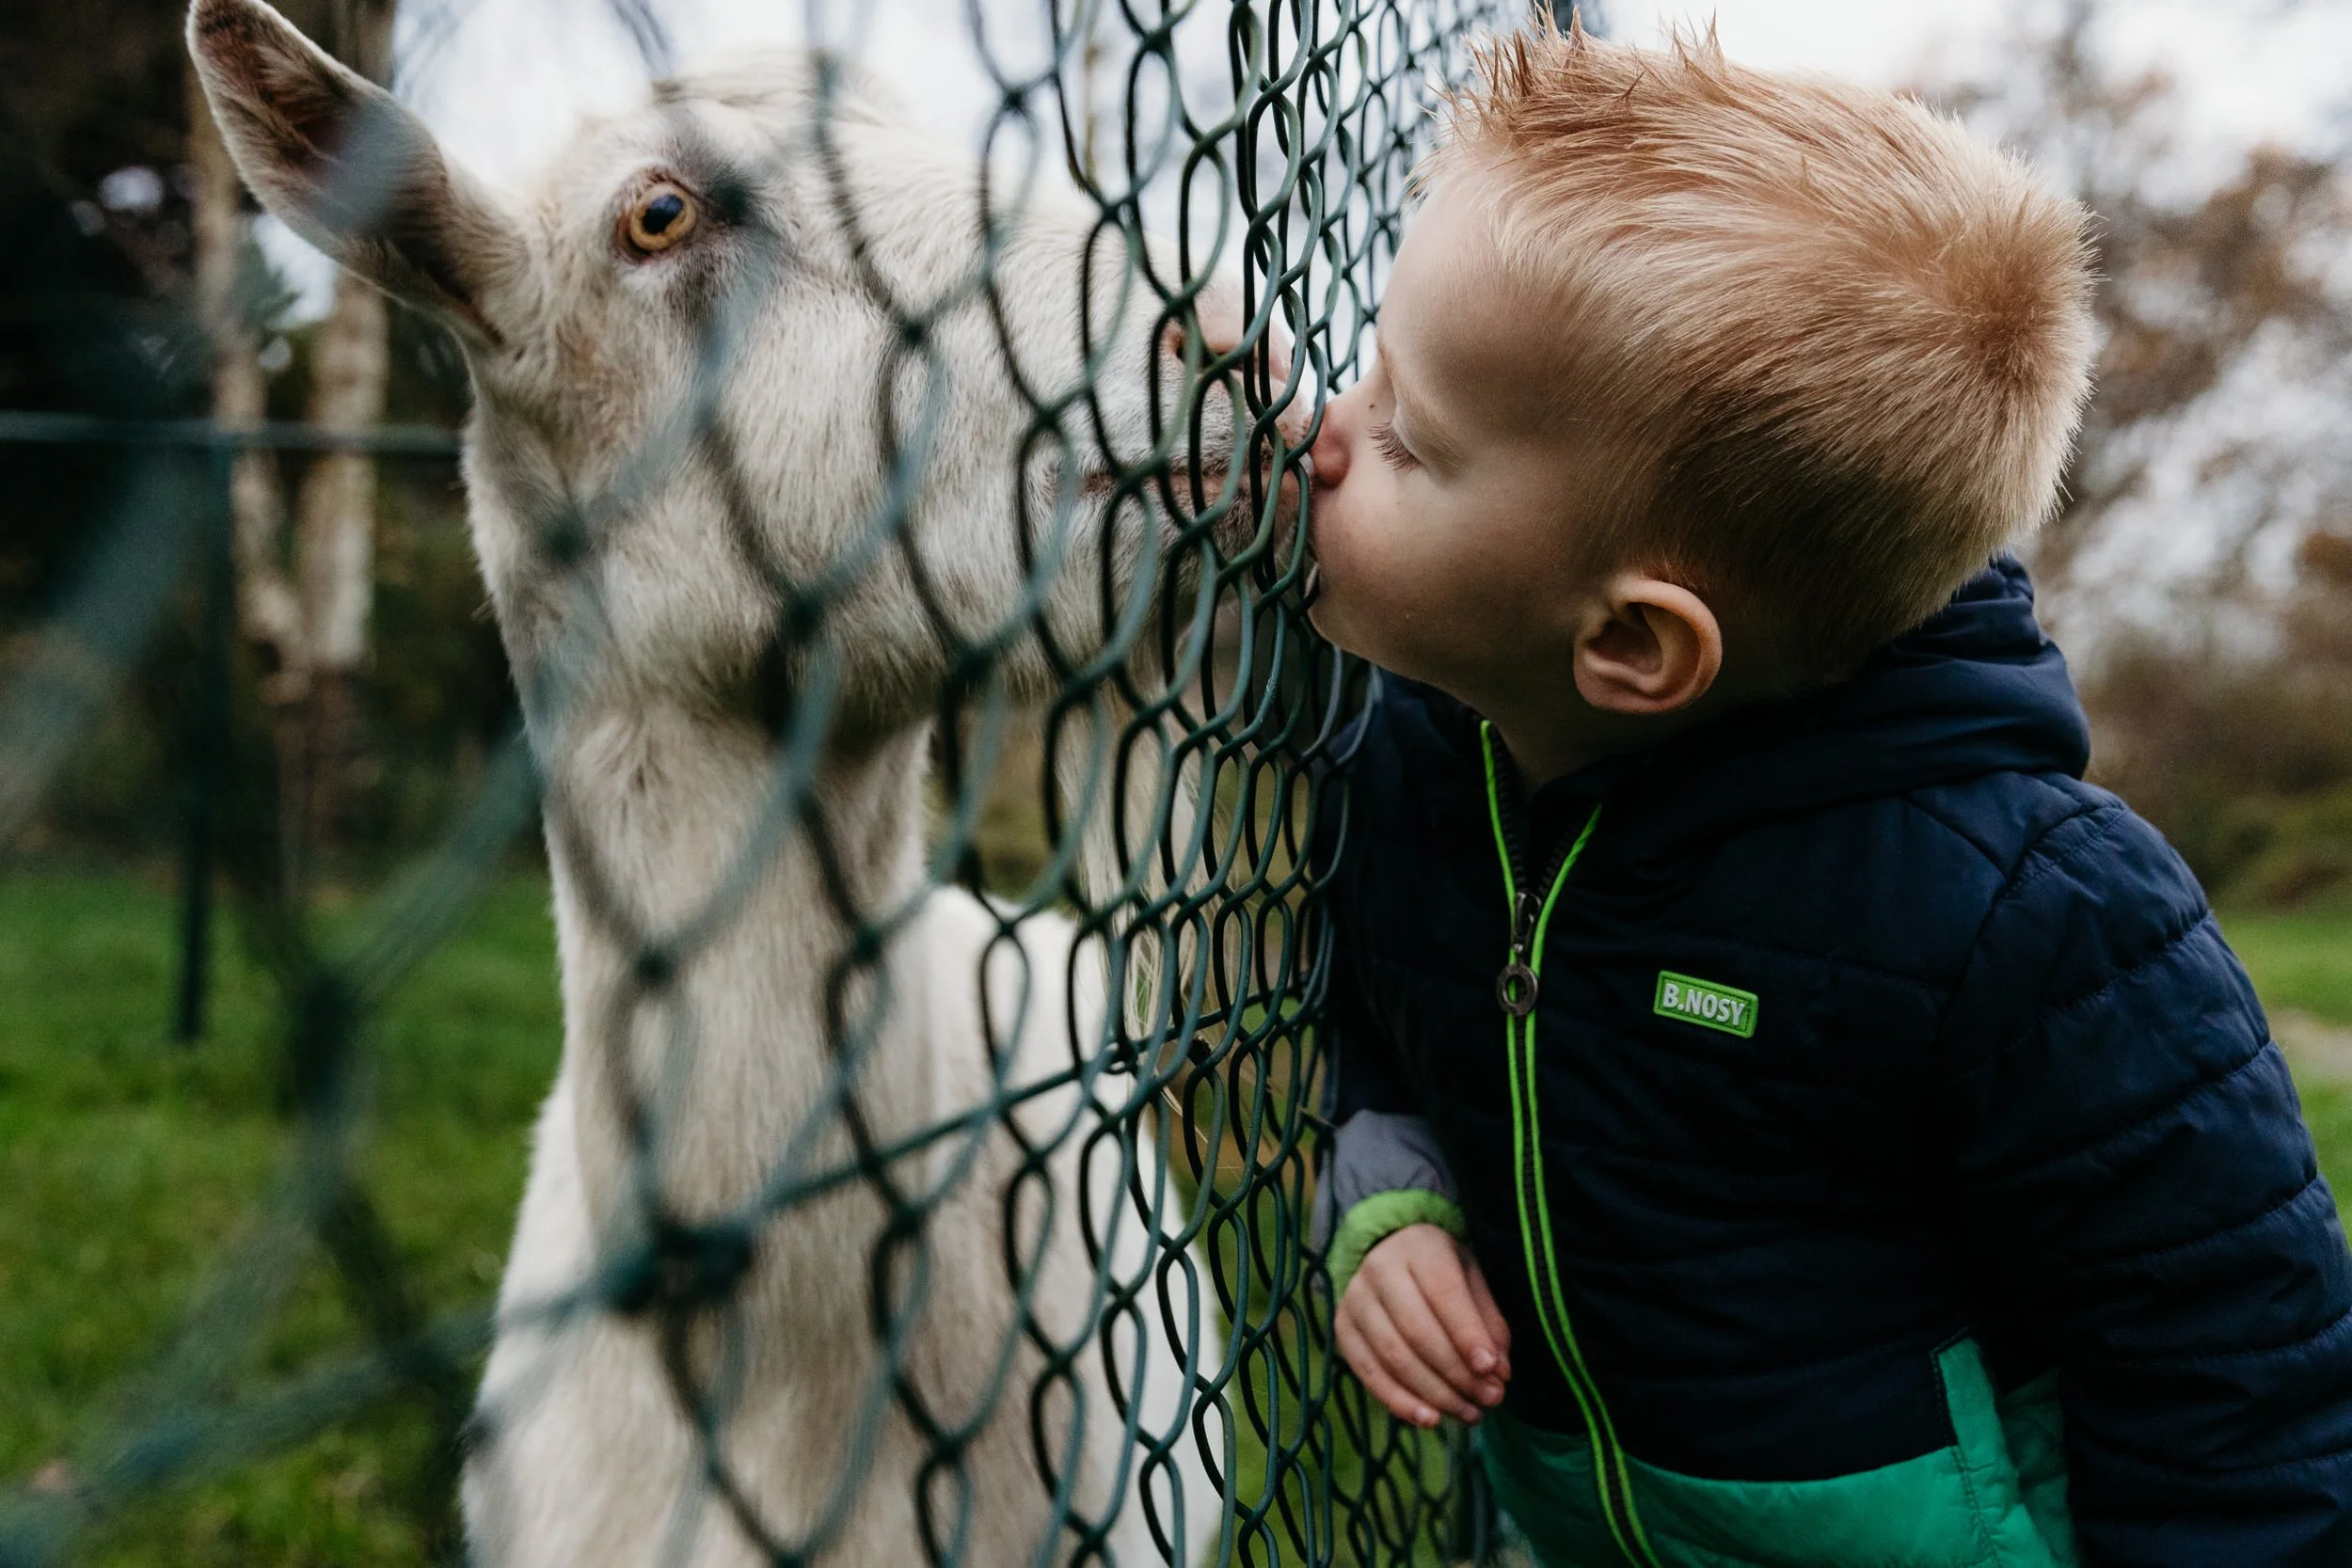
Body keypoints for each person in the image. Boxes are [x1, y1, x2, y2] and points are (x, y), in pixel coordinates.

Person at [1303, 17, 2352, 1567]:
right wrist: (1386, 1194)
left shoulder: (2036, 919)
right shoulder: (1412, 770)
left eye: (1406, 434)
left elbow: (2238, 1373)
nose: (1321, 435)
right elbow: (1363, 1023)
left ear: (1632, 645)